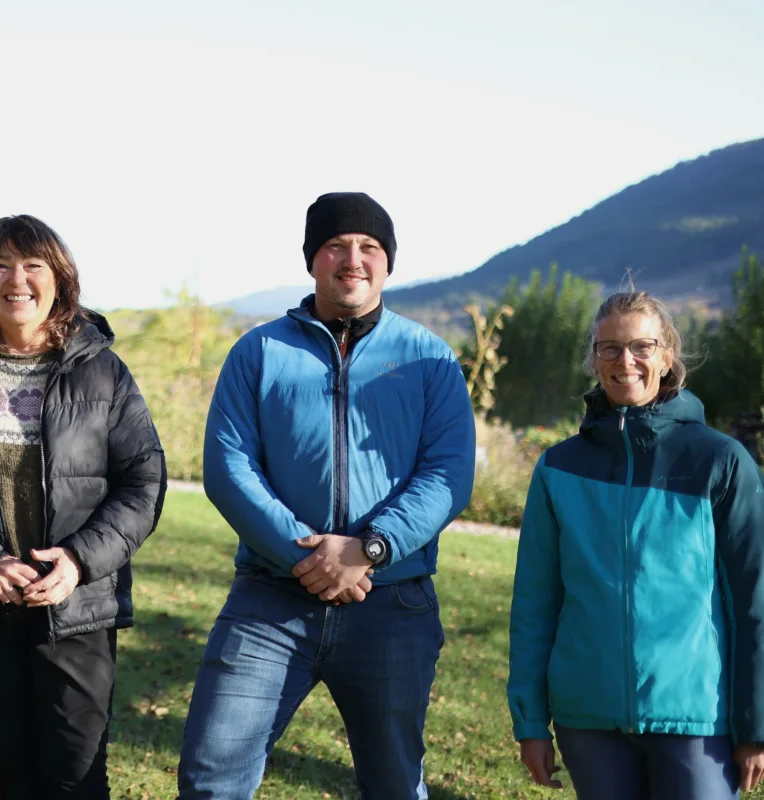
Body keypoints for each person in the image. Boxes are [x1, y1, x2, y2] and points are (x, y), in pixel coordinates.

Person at [177, 192, 476, 799]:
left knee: (394, 786)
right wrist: (307, 556)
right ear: (312, 259)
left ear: (388, 263)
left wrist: (369, 548)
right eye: (336, 245)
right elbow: (227, 466)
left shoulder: (429, 358)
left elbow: (448, 473)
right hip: (269, 602)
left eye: (369, 247)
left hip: (393, 606)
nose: (353, 259)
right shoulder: (258, 352)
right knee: (212, 779)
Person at [0, 214, 166, 799]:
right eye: (1, 265)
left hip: (78, 605)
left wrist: (76, 562)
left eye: (32, 265)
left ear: (59, 280)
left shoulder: (104, 370)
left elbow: (143, 481)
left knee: (76, 775)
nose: (17, 279)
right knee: (14, 773)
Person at [508, 290, 764, 798]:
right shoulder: (558, 467)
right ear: (594, 359)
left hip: (697, 716)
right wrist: (531, 721)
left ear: (667, 356)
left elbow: (753, 601)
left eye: (641, 347)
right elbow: (536, 602)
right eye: (609, 349)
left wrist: (755, 725)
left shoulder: (722, 461)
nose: (625, 361)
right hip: (588, 717)